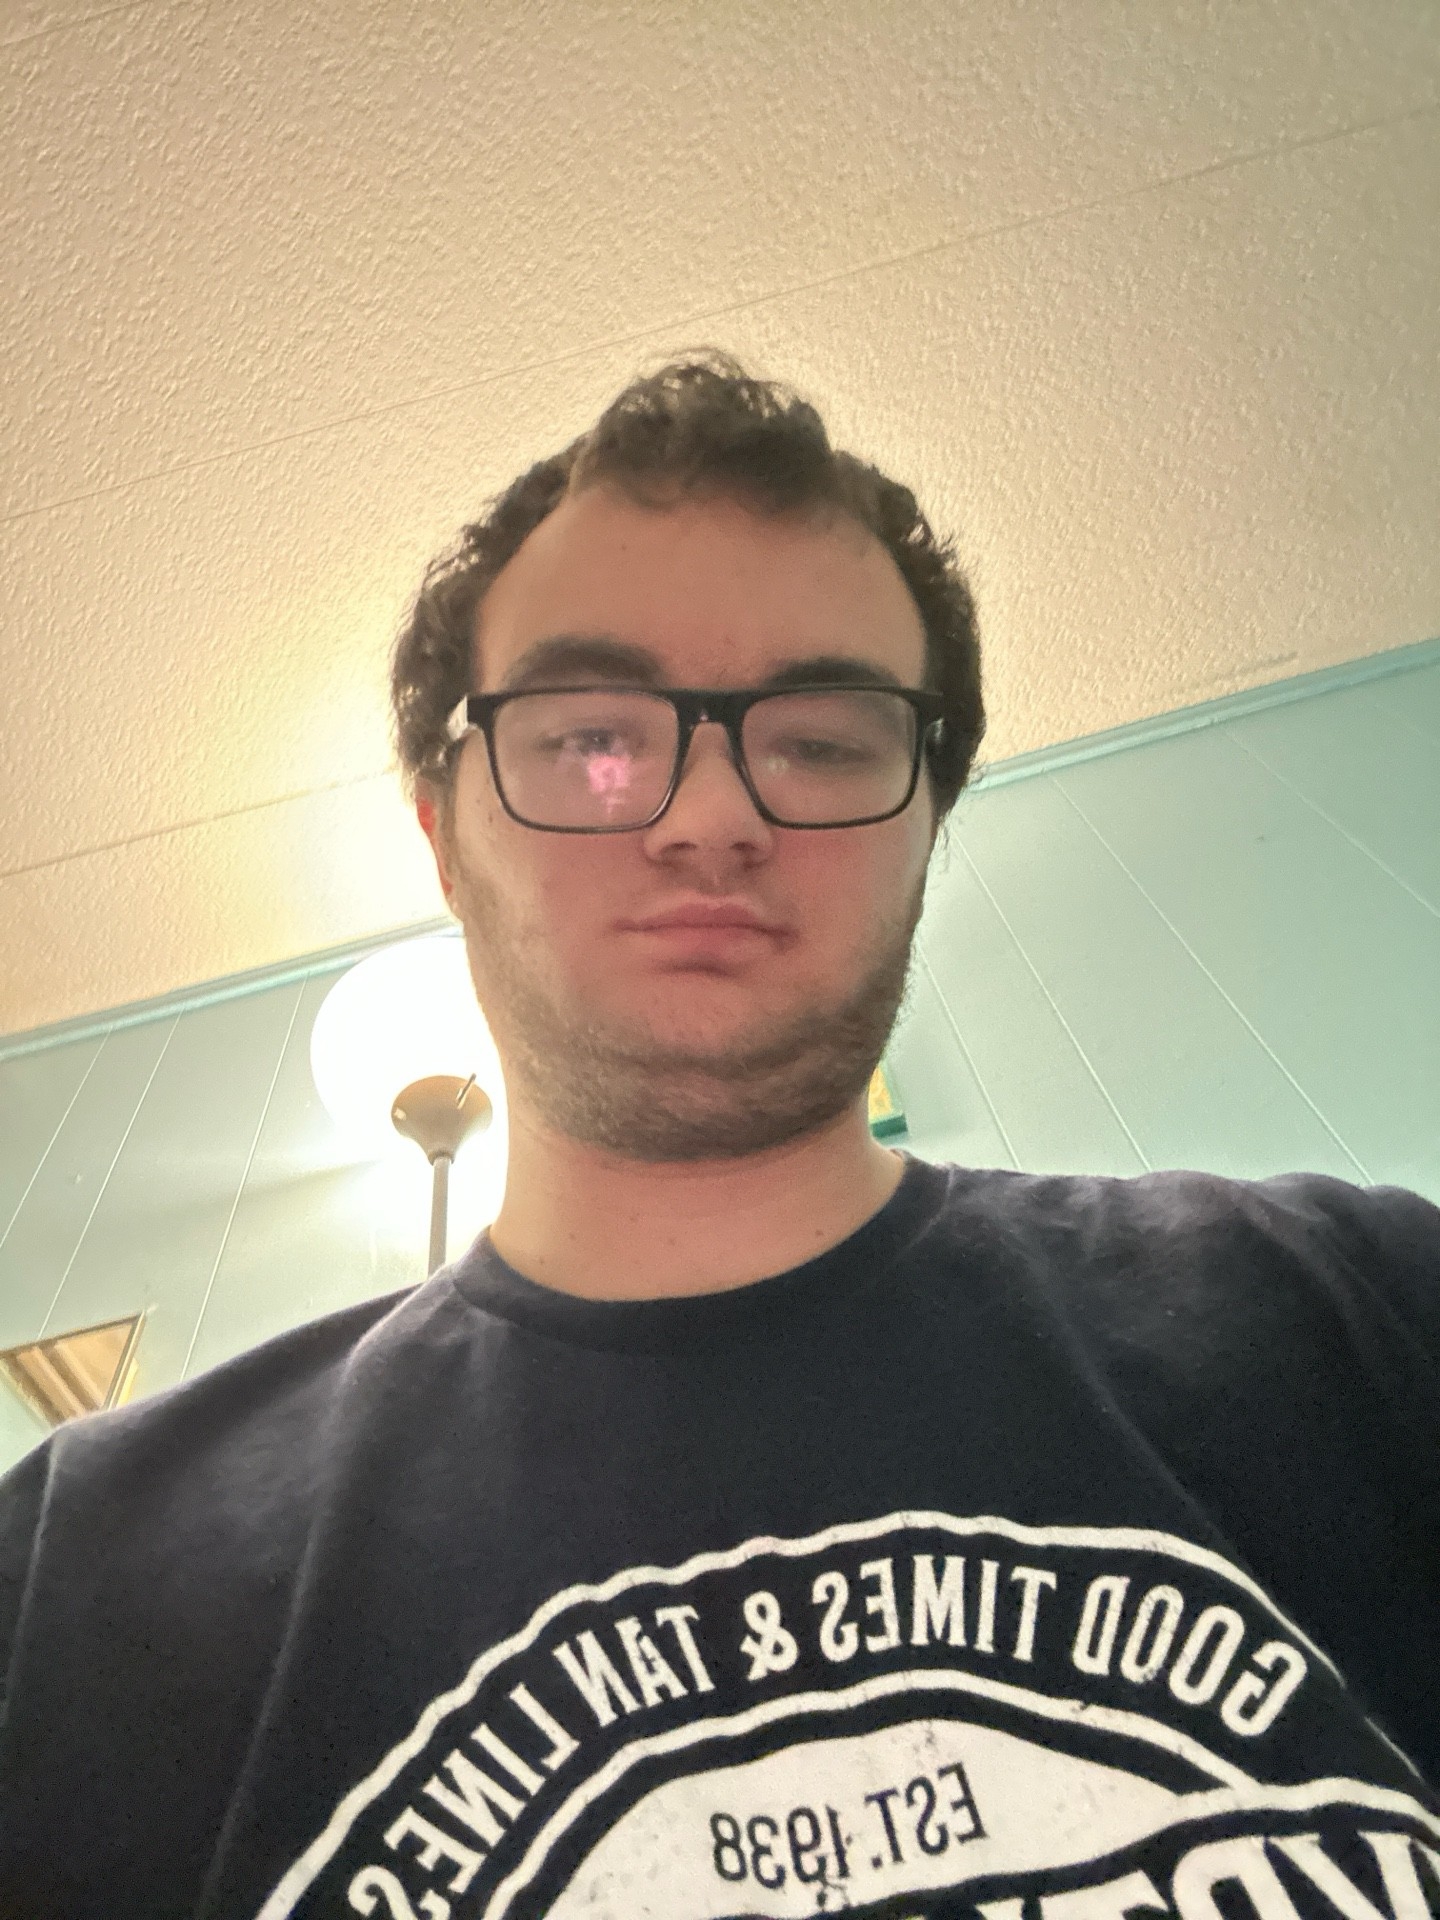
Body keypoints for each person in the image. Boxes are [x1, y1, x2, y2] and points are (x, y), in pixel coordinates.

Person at [1, 354, 1436, 1920]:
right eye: (589, 737)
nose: (708, 818)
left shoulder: (1363, 1314)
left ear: (927, 824)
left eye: (822, 739)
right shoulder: (72, 1580)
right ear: (444, 835)